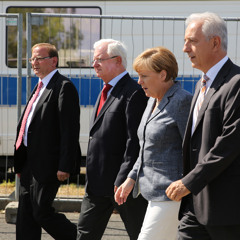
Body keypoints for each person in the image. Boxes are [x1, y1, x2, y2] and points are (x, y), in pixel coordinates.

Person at [166, 12, 240, 240]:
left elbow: (229, 143)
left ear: (215, 42)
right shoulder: (201, 84)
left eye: (192, 41)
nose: (185, 48)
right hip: (195, 205)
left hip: (226, 209)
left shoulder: (236, 83)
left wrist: (189, 182)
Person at [115, 46, 192, 240]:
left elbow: (193, 148)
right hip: (151, 192)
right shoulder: (152, 100)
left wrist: (186, 184)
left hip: (171, 194)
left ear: (163, 74)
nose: (139, 82)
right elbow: (145, 147)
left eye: (144, 76)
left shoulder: (182, 101)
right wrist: (131, 178)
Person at [77, 39, 148, 240]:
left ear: (117, 61)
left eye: (99, 59)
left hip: (122, 184)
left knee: (141, 234)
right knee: (85, 233)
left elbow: (134, 141)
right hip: (97, 184)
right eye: (94, 60)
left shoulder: (133, 93)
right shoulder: (105, 89)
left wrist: (124, 177)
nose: (94, 64)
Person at [14, 43, 81, 240]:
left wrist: (64, 165)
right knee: (26, 214)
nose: (34, 63)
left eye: (39, 59)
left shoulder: (63, 86)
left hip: (48, 164)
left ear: (53, 61)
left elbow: (69, 130)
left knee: (41, 212)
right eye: (32, 59)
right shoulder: (40, 85)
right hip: (28, 162)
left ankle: (79, 237)